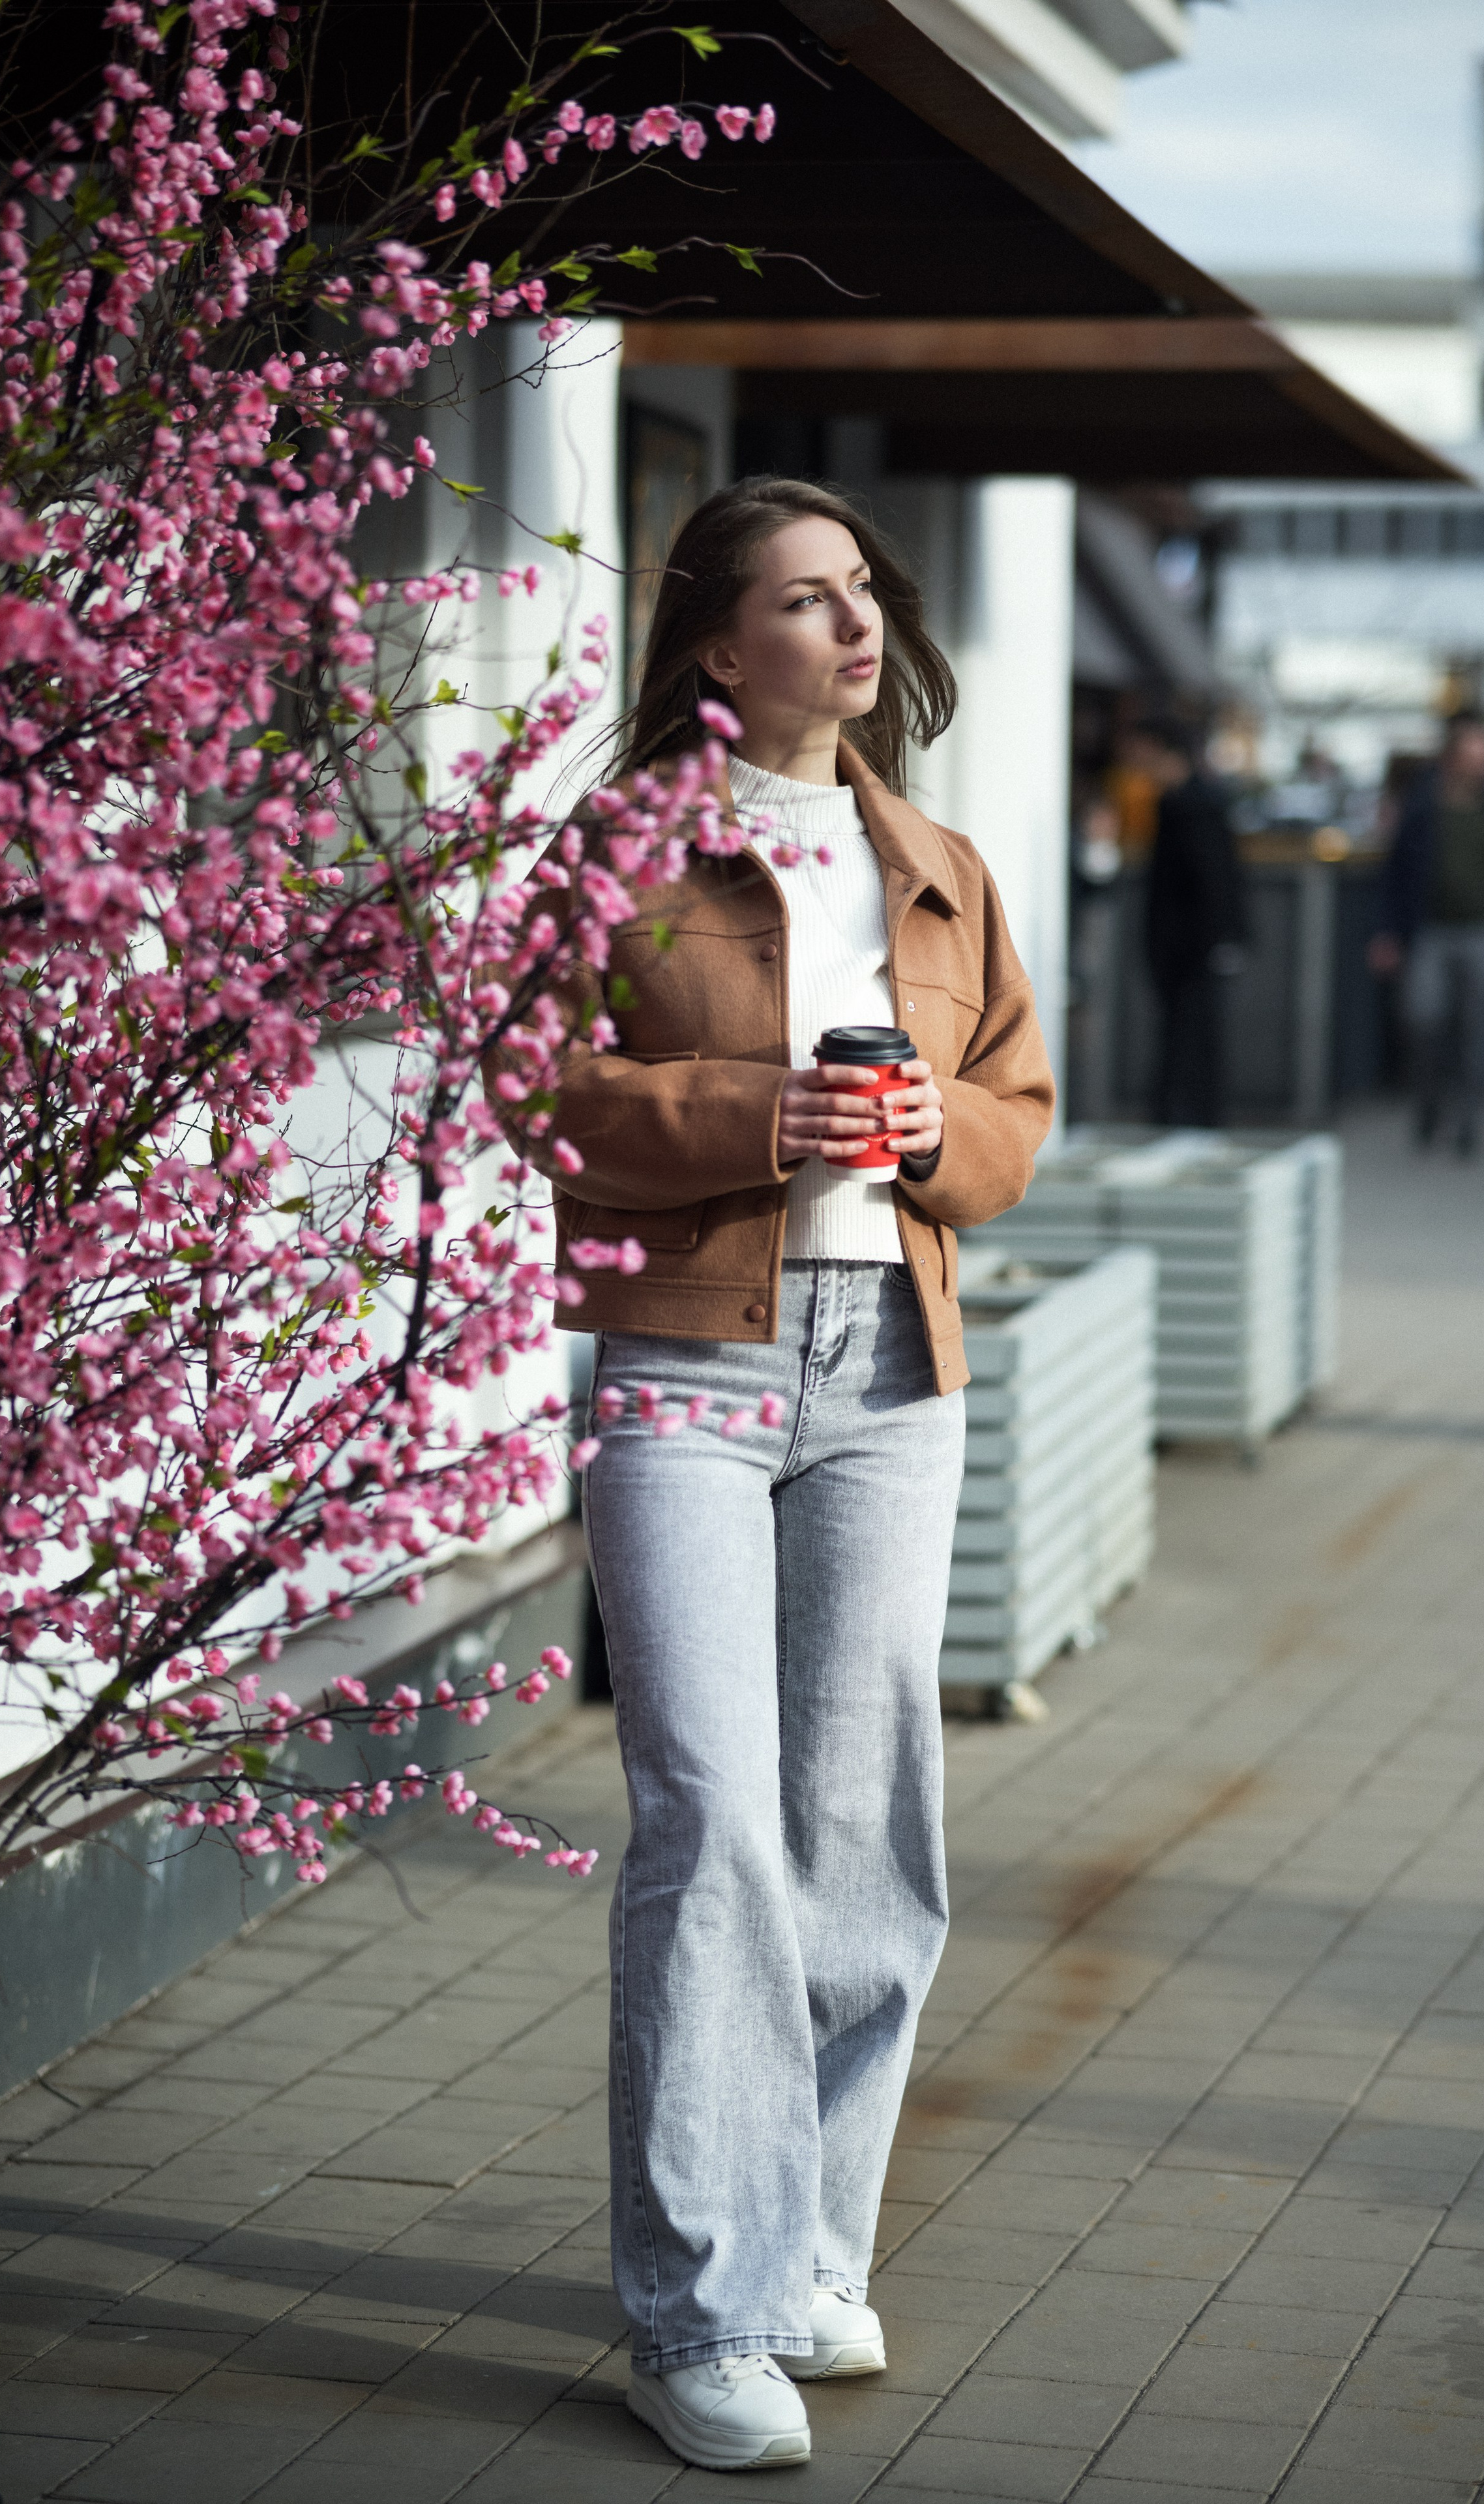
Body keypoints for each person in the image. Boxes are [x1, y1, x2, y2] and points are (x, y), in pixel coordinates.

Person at [495, 479, 1054, 2472]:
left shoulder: (937, 862)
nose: (853, 624)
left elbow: (1015, 1102)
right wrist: (757, 1108)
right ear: (719, 650)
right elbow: (534, 1090)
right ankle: (691, 2306)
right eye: (805, 599)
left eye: (863, 593)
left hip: (890, 1372)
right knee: (713, 1817)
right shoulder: (618, 852)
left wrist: (925, 1143)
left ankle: (813, 2238)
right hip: (680, 1366)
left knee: (862, 1816)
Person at [1369, 708, 1484, 1155]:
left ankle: (1467, 1124)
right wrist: (1387, 931)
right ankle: (1428, 1106)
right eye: (1476, 747)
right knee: (1424, 1020)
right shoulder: (1424, 799)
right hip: (1429, 930)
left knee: (1473, 1029)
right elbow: (1397, 868)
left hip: (1482, 930)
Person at [1123, 714, 1249, 1129]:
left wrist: (1215, 940)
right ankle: (1189, 1118)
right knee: (1190, 1035)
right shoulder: (1191, 801)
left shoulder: (1189, 806)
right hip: (1192, 946)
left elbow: (1212, 882)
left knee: (1191, 1037)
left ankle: (1187, 1120)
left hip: (1190, 948)